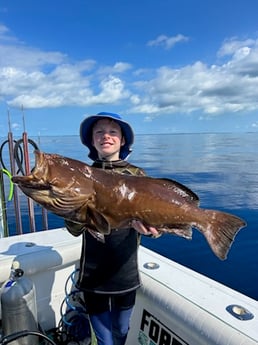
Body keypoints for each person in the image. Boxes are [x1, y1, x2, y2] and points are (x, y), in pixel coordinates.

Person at [65, 111, 158, 345]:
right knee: (104, 339)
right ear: (92, 140)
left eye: (113, 132)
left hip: (125, 273)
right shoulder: (81, 176)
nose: (106, 136)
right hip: (92, 275)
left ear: (123, 139)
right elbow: (74, 229)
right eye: (99, 132)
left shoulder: (138, 176)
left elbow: (154, 219)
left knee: (122, 329)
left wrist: (153, 229)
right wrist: (75, 208)